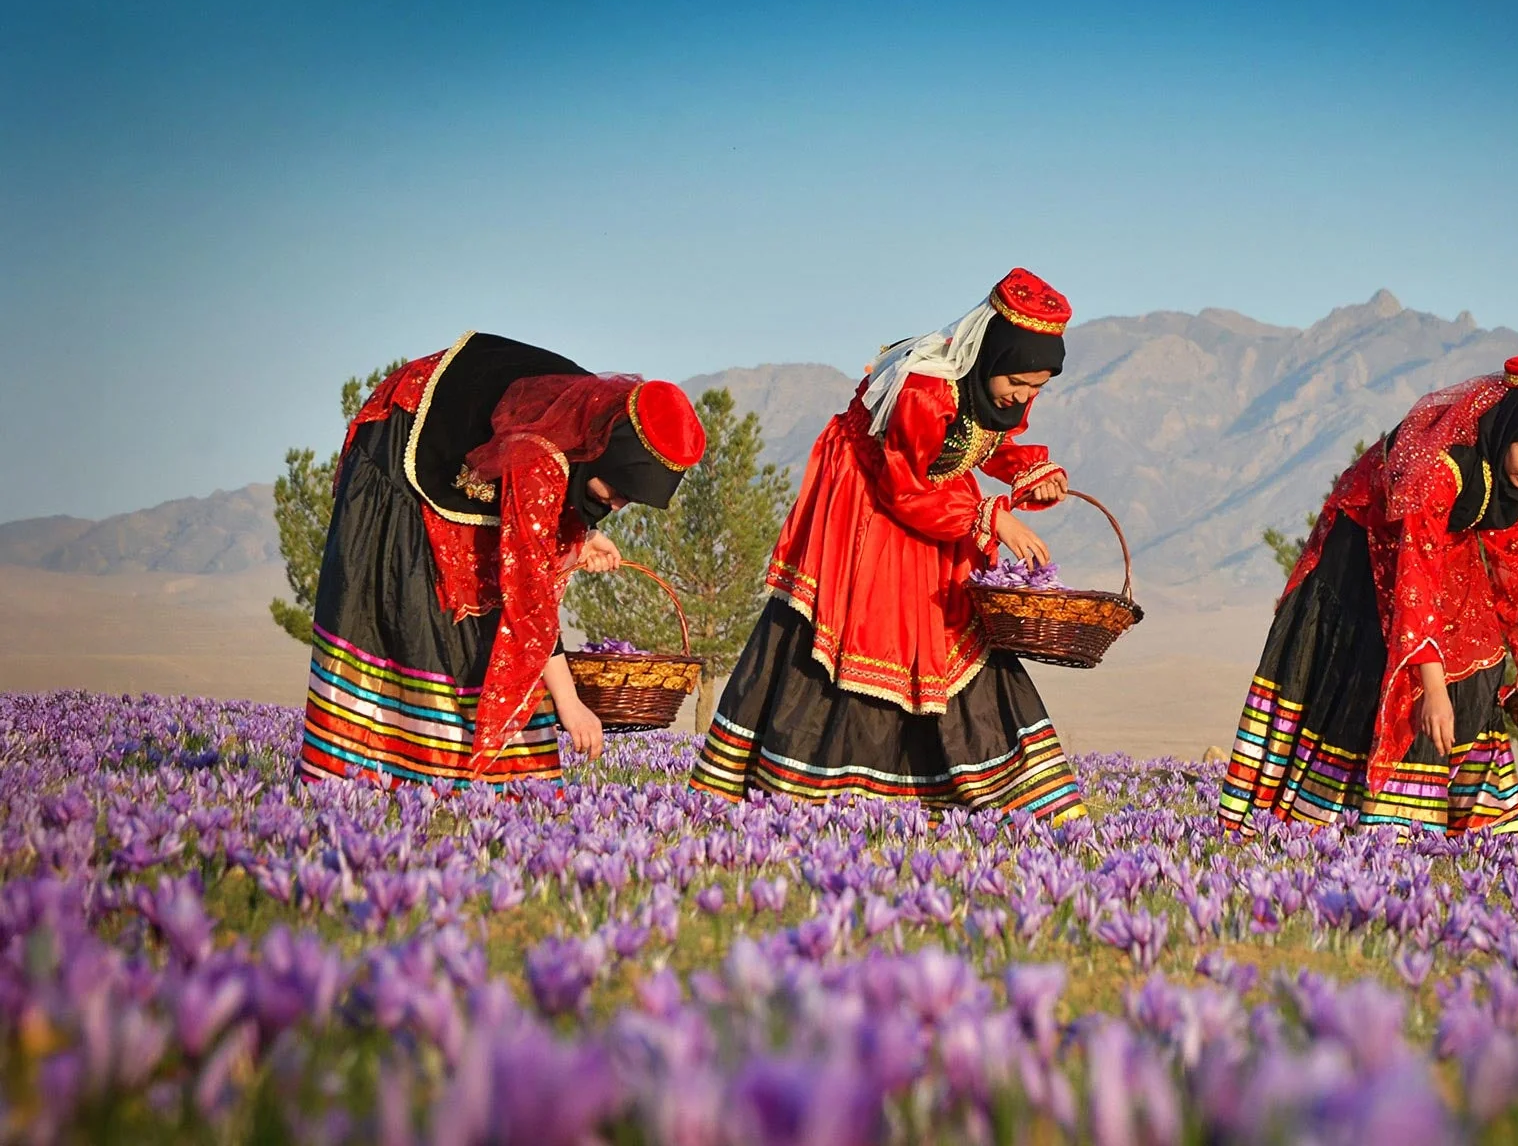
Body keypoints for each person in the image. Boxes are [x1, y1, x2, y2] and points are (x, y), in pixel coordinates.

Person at [689, 268, 1088, 827]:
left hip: (934, 494)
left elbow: (983, 440)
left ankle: (979, 795)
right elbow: (904, 485)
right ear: (989, 358)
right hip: (871, 498)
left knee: (947, 629)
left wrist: (1031, 471)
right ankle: (819, 793)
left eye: (1035, 390)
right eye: (1017, 385)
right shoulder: (925, 390)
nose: (1023, 398)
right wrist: (990, 520)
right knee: (870, 626)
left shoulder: (993, 386)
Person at [1216, 354, 1518, 838]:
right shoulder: (1436, 469)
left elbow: (1502, 528)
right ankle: (1357, 823)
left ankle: (1481, 823)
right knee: (1379, 673)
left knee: (1480, 651)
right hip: (1363, 557)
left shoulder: (1492, 460)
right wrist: (1433, 688)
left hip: (1429, 545)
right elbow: (1414, 582)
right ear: (1507, 431)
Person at [296, 332, 705, 789]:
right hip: (407, 440)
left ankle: (458, 784)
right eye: (618, 493)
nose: (617, 506)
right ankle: (382, 778)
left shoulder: (595, 416)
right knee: (418, 609)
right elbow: (528, 596)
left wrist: (583, 536)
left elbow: (551, 511)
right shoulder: (541, 453)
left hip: (462, 437)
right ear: (602, 457)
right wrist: (569, 705)